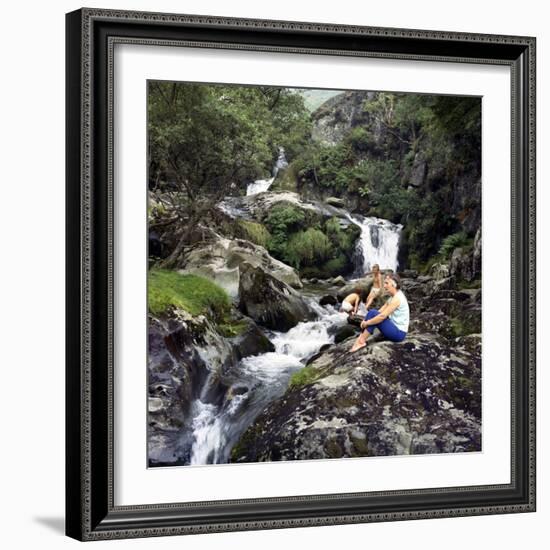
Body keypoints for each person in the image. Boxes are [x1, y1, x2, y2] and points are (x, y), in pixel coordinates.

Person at [350, 273, 409, 352]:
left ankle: (361, 341)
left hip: (399, 334)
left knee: (373, 314)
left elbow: (382, 316)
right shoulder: (393, 297)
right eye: (384, 283)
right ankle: (361, 338)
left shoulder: (397, 298)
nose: (384, 286)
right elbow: (380, 311)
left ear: (394, 285)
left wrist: (367, 323)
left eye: (386, 283)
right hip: (393, 328)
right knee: (372, 312)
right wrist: (366, 321)